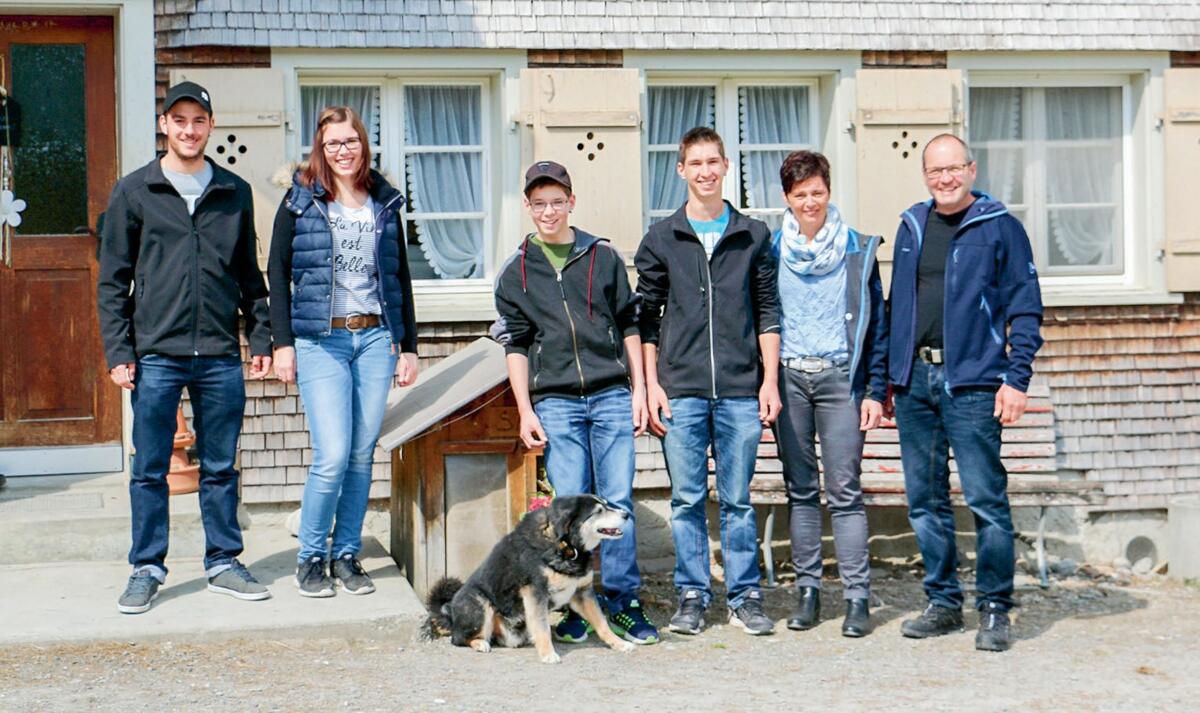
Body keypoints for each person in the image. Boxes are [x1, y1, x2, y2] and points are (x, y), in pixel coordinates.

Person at [98, 81, 273, 614]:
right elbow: (113, 280)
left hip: (219, 353)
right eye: (180, 120)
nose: (189, 130)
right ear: (164, 126)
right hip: (156, 353)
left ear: (210, 127)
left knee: (220, 466)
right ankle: (147, 567)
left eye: (198, 121)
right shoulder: (135, 191)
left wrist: (261, 333)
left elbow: (249, 274)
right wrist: (118, 350)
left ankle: (223, 561)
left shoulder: (234, 192)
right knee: (150, 468)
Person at [490, 160, 659, 645]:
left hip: (610, 395)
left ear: (572, 202)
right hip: (557, 402)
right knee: (567, 512)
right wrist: (525, 409)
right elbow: (516, 346)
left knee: (618, 501)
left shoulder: (601, 256)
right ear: (527, 206)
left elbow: (630, 323)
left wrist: (640, 388)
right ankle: (573, 605)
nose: (549, 211)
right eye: (539, 203)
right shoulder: (517, 271)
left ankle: (623, 600)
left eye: (557, 201)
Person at [887, 134, 1043, 652]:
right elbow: (896, 309)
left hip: (975, 385)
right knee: (925, 502)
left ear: (972, 170)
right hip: (915, 384)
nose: (945, 178)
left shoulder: (1000, 228)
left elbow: (1026, 308)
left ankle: (995, 608)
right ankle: (944, 603)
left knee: (985, 499)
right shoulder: (911, 226)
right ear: (926, 176)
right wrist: (887, 380)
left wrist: (1016, 378)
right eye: (936, 171)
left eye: (954, 169)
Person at [268, 106, 419, 598]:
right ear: (321, 147)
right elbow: (277, 275)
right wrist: (283, 343)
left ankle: (347, 553)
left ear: (363, 144)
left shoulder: (384, 201)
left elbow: (399, 277)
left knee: (359, 453)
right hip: (320, 340)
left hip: (374, 338)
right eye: (333, 143)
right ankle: (311, 556)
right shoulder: (300, 200)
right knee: (331, 454)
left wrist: (409, 346)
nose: (343, 151)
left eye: (350, 141)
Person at [635, 127, 781, 637]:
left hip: (742, 389)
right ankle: (693, 595)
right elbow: (646, 320)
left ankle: (745, 597)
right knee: (687, 499)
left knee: (739, 499)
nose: (705, 172)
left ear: (725, 166)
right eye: (695, 163)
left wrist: (770, 382)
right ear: (681, 170)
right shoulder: (661, 238)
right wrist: (651, 385)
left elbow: (768, 311)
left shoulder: (752, 235)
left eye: (713, 162)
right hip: (681, 389)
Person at [770, 151, 887, 638]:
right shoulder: (771, 248)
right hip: (790, 379)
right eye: (801, 195)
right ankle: (808, 592)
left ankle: (857, 597)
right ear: (787, 198)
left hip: (842, 381)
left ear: (829, 191)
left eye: (817, 192)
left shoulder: (858, 249)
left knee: (844, 492)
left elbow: (878, 325)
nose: (810, 201)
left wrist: (874, 390)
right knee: (800, 491)